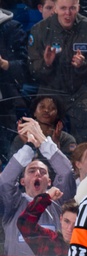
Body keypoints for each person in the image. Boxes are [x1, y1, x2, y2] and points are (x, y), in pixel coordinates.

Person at [27, 0, 87, 142]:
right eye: (63, 8)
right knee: (44, 141)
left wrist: (83, 65)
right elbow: (33, 71)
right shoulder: (39, 31)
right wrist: (47, 64)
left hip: (81, 92)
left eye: (72, 8)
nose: (68, 13)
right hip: (50, 90)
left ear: (79, 7)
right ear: (55, 8)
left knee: (85, 143)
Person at [1, 117, 76, 256]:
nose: (37, 174)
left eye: (43, 172)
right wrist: (29, 147)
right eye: (31, 171)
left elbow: (66, 173)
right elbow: (5, 181)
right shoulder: (13, 205)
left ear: (49, 182)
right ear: (22, 181)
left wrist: (42, 141)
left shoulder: (58, 202)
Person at [0, 5, 28, 162]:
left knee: (7, 156)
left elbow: (25, 67)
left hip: (4, 103)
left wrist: (4, 64)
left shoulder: (11, 28)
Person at [8, 95, 76, 157]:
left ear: (58, 114)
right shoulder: (21, 138)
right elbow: (14, 167)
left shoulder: (67, 140)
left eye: (52, 108)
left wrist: (56, 144)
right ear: (34, 112)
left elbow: (69, 168)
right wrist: (28, 144)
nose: (46, 110)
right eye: (42, 107)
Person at [16, 188, 75, 256]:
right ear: (61, 219)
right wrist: (46, 197)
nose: (69, 228)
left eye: (75, 224)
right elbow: (24, 223)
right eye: (67, 221)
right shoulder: (49, 240)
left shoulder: (86, 244)